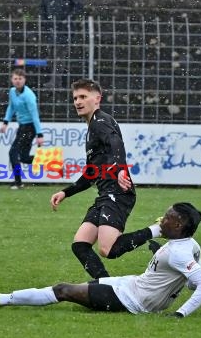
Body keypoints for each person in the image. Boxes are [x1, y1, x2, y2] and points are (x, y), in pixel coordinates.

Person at [0, 202, 201, 318]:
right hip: (131, 285)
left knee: (63, 290)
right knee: (80, 286)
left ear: (179, 224)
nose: (162, 219)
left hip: (132, 300)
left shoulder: (179, 252)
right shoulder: (190, 246)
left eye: (168, 217)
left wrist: (180, 313)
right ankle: (0, 299)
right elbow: (193, 282)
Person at [50, 78, 160, 279]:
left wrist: (120, 169)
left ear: (97, 99)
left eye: (83, 96)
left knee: (108, 249)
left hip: (118, 192)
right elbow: (90, 174)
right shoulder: (93, 126)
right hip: (105, 194)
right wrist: (65, 192)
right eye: (75, 98)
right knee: (80, 245)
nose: (77, 101)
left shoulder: (100, 121)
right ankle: (107, 286)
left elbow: (116, 142)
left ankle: (157, 229)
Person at [0, 68, 45, 189]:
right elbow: (11, 107)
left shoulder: (29, 96)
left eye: (20, 79)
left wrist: (40, 134)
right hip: (22, 126)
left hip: (30, 128)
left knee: (12, 152)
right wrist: (5, 122)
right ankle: (49, 161)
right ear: (12, 80)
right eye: (15, 79)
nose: (17, 81)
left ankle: (18, 182)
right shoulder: (13, 92)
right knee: (24, 157)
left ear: (24, 80)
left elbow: (35, 116)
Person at [40, 0, 84, 88]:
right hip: (51, 29)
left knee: (59, 55)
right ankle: (54, 80)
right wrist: (45, 21)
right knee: (51, 56)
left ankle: (55, 81)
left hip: (64, 29)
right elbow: (42, 8)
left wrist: (68, 18)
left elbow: (79, 7)